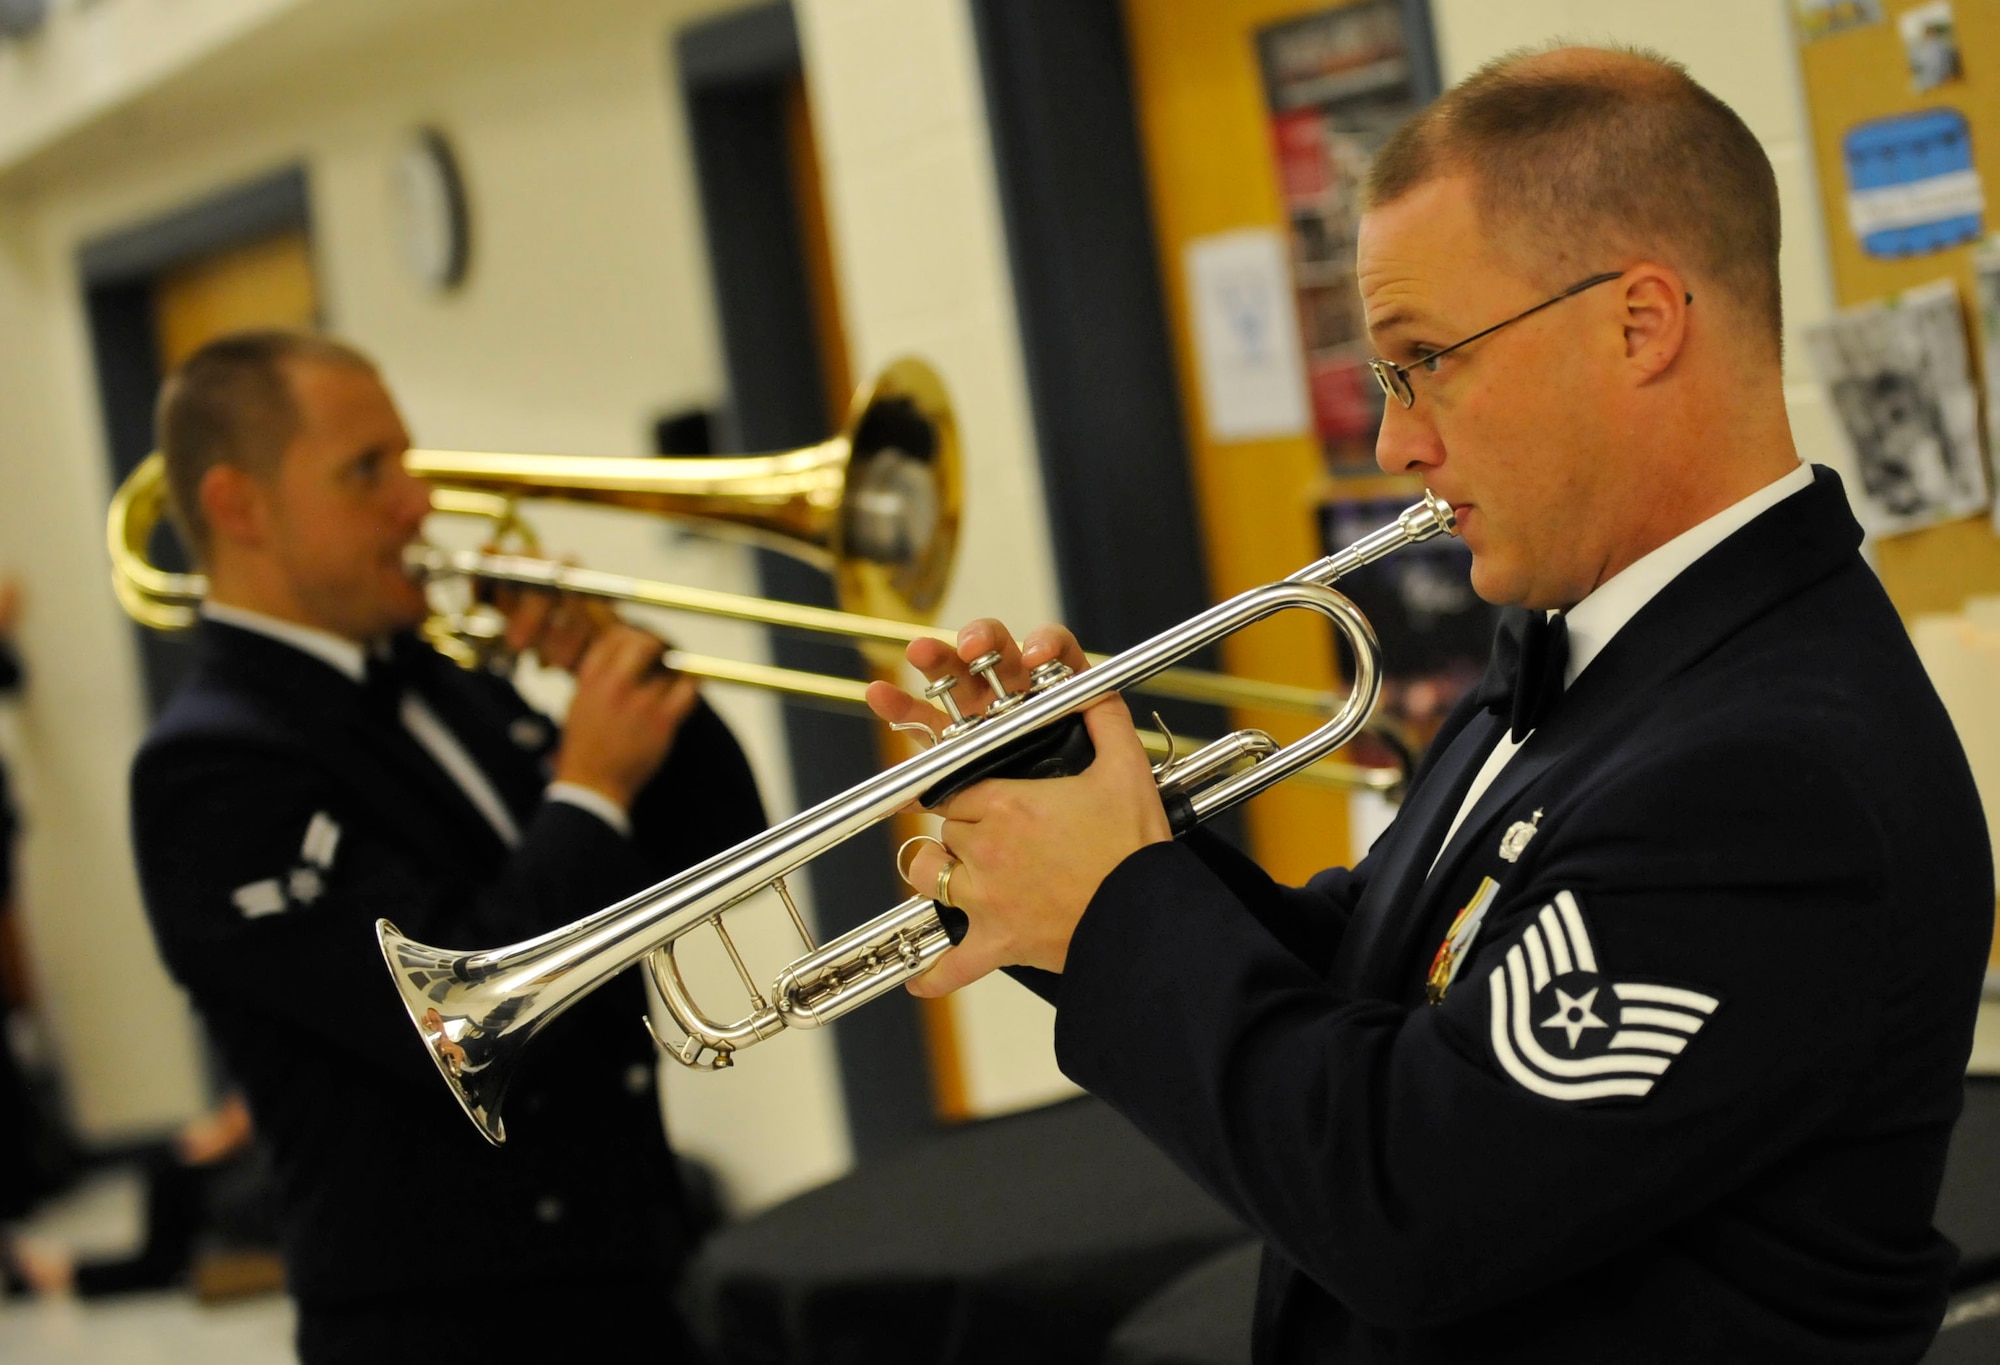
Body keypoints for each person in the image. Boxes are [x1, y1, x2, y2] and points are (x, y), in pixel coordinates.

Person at [868, 46, 1993, 1364]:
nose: (1397, 442)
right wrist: (1069, 840)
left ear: (1640, 321)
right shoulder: (1587, 667)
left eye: (1425, 362)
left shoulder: (1775, 769)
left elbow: (1407, 1200)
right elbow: (1373, 984)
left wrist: (1121, 907)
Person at [130, 331, 765, 1362]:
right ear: (241, 509)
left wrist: (631, 685)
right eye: (365, 471)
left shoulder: (445, 678)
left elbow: (708, 858)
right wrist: (589, 785)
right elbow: (458, 1019)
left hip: (631, 1277)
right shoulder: (209, 772)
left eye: (408, 463)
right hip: (442, 1329)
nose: (415, 502)